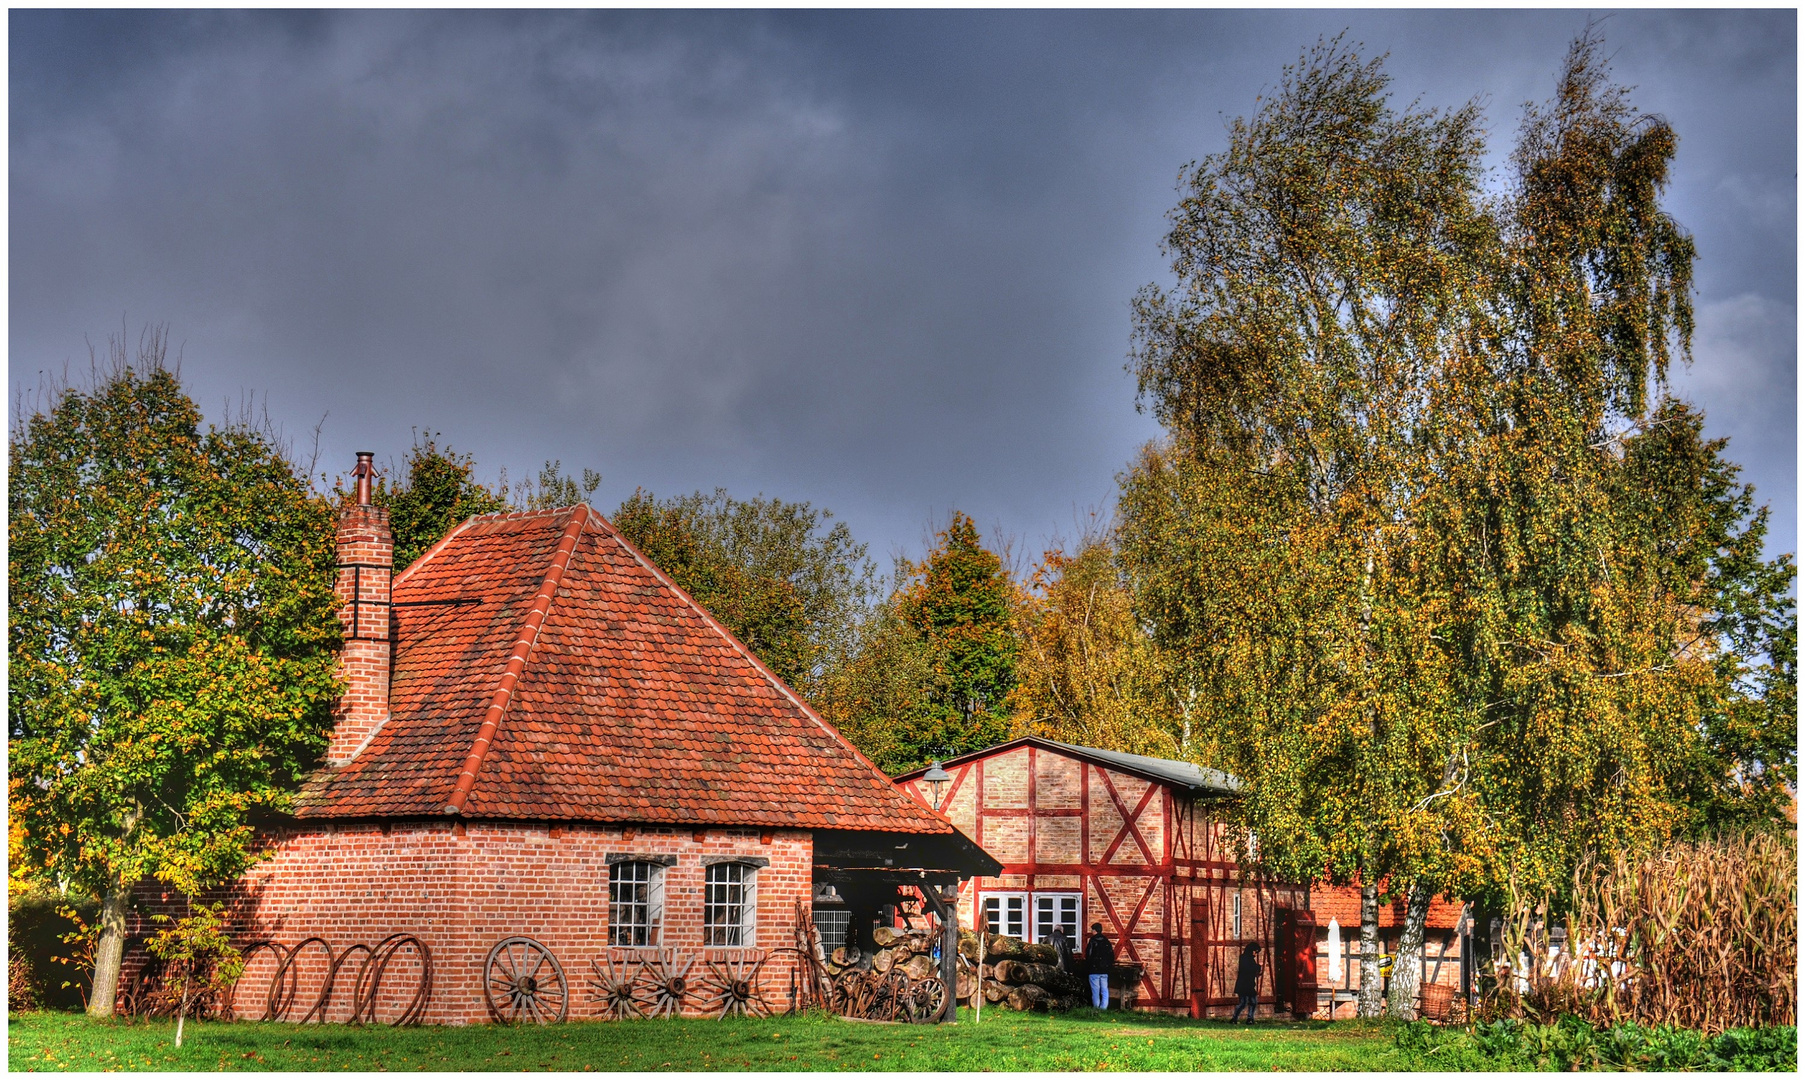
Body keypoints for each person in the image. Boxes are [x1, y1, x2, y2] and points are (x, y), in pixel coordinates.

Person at [1084, 922, 1116, 1009]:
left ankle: (1096, 1008)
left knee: (1095, 991)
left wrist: (1088, 966)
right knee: (1104, 990)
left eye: (1092, 930)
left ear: (1094, 931)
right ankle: (1104, 1008)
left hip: (1094, 970)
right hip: (1104, 971)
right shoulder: (1106, 941)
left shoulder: (1092, 941)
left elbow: (1088, 955)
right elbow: (1111, 956)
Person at [1232, 942, 1262, 1023]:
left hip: (1249, 985)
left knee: (1253, 1002)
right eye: (1255, 952)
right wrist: (1257, 967)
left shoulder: (1251, 960)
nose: (1256, 954)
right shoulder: (1243, 958)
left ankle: (1250, 1018)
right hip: (1243, 985)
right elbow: (1247, 969)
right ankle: (1234, 1018)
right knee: (1243, 1003)